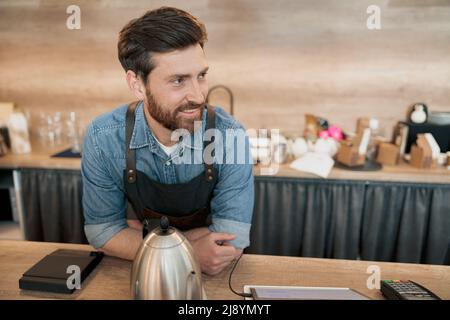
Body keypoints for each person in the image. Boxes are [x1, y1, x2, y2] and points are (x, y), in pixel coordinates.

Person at [81, 7, 254, 275]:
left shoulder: (230, 136)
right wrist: (193, 250)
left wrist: (136, 234)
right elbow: (102, 233)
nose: (197, 95)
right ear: (138, 85)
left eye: (201, 75)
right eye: (178, 81)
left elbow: (233, 239)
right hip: (142, 277)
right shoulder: (103, 138)